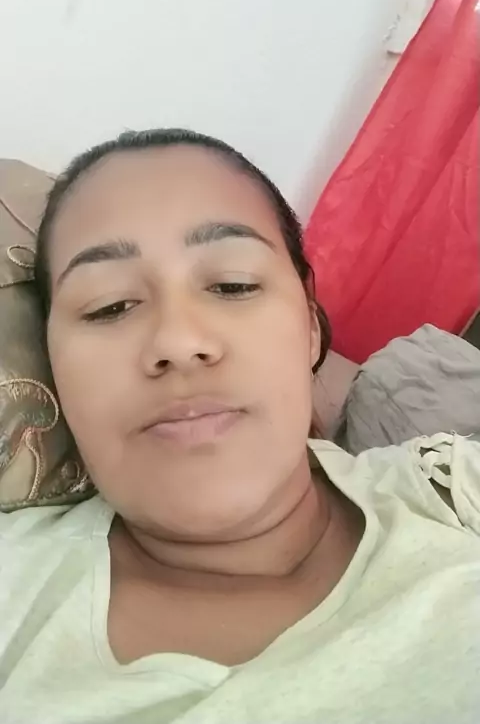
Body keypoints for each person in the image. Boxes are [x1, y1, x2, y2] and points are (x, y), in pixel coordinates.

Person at [1, 128, 479, 724]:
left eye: (233, 285)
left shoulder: (451, 490)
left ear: (310, 325)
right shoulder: (15, 592)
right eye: (110, 306)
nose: (178, 341)